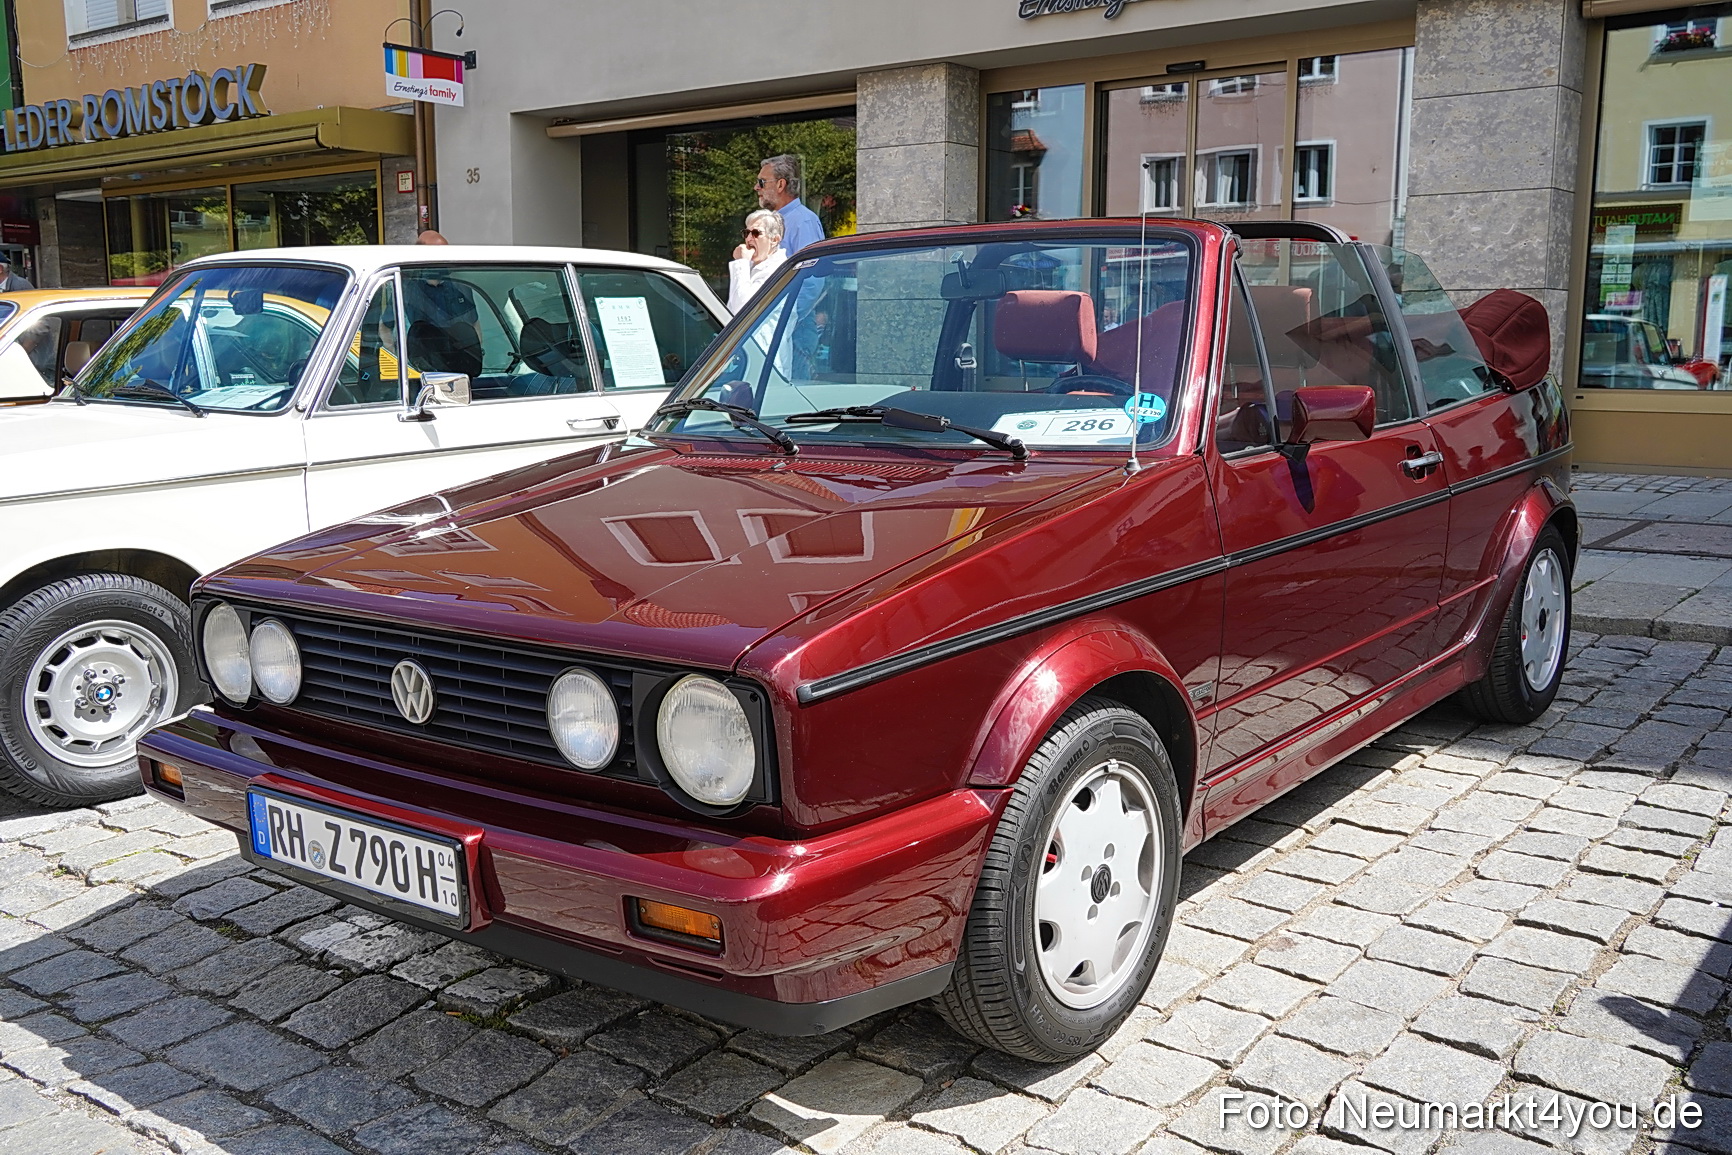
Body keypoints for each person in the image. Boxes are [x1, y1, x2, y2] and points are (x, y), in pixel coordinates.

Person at [755, 155, 824, 257]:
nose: (756, 187)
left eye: (761, 182)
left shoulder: (803, 221)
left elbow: (809, 269)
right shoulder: (773, 220)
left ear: (780, 185)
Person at [726, 210, 788, 315]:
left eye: (756, 233)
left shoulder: (778, 270)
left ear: (774, 240)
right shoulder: (752, 265)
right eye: (746, 233)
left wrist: (742, 262)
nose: (749, 238)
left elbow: (741, 309)